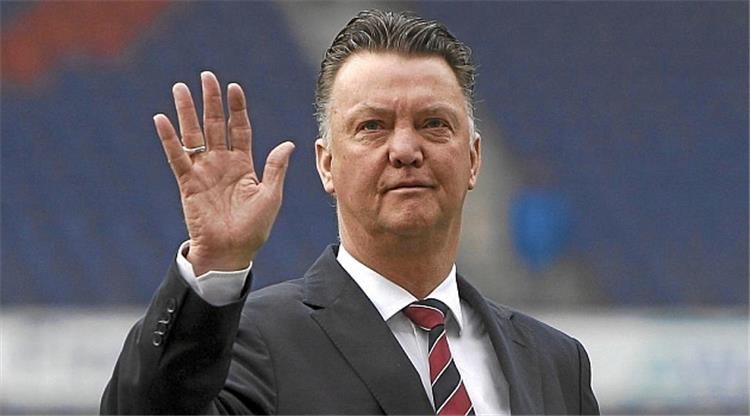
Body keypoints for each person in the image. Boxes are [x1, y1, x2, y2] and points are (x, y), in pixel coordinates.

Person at [101, 9, 599, 415]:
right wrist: (216, 264)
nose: (405, 150)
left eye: (433, 123)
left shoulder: (556, 364)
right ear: (327, 165)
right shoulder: (251, 342)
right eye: (372, 127)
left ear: (473, 160)